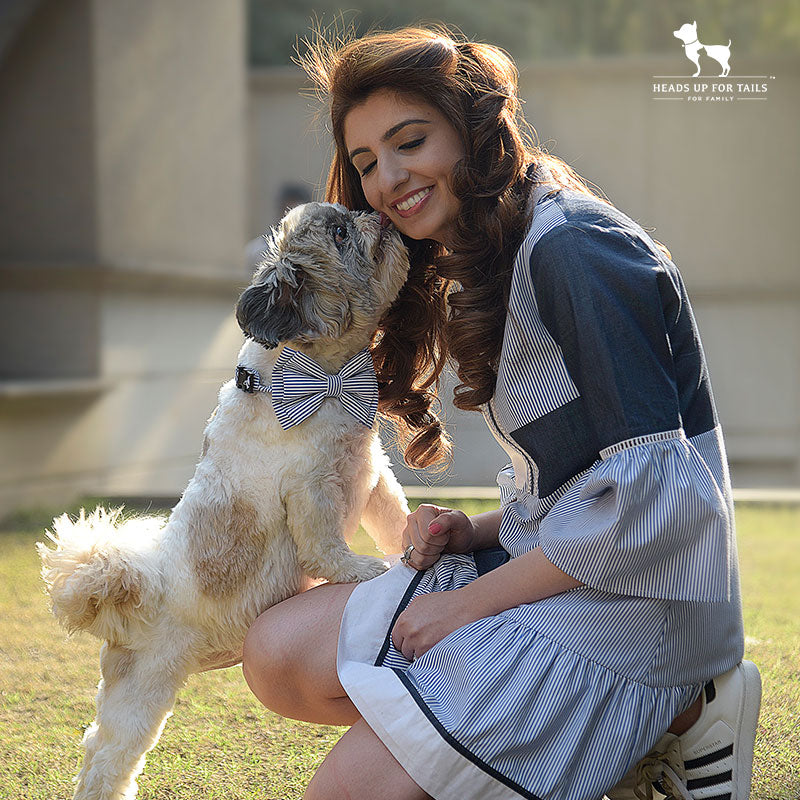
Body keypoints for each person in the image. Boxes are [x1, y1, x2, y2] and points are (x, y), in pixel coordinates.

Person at [241, 25, 761, 800]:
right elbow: (582, 482)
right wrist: (475, 532)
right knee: (275, 652)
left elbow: (662, 506)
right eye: (365, 163)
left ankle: (683, 709)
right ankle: (538, 738)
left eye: (409, 141)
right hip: (572, 577)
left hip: (646, 612)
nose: (388, 180)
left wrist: (466, 608)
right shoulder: (491, 251)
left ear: (473, 127)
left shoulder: (577, 250)